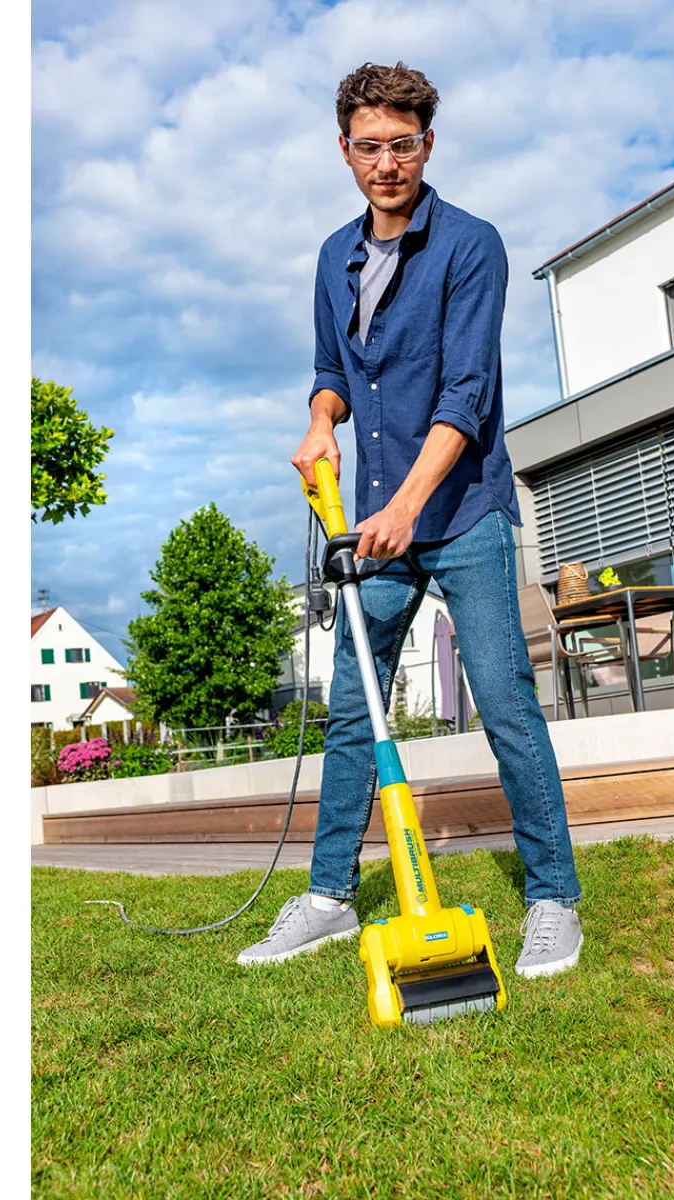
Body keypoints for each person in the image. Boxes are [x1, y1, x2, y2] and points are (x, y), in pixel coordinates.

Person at [238, 62, 582, 978]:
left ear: (428, 144)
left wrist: (404, 506)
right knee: (354, 712)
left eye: (402, 145)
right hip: (377, 526)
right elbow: (332, 371)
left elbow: (468, 394)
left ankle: (553, 898)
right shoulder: (333, 257)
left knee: (505, 702)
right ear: (343, 149)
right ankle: (328, 899)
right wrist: (321, 421)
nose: (385, 164)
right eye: (368, 147)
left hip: (461, 512)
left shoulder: (471, 245)